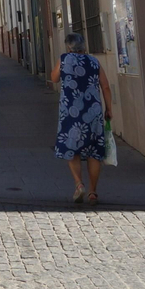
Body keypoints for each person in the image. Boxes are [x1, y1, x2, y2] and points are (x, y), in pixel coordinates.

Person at [53, 32, 112, 205]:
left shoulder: (64, 59)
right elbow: (106, 86)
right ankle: (93, 192)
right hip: (93, 112)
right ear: (83, 46)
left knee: (72, 148)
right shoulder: (94, 61)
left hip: (70, 112)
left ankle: (79, 184)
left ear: (68, 46)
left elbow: (54, 78)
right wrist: (109, 108)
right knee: (94, 152)